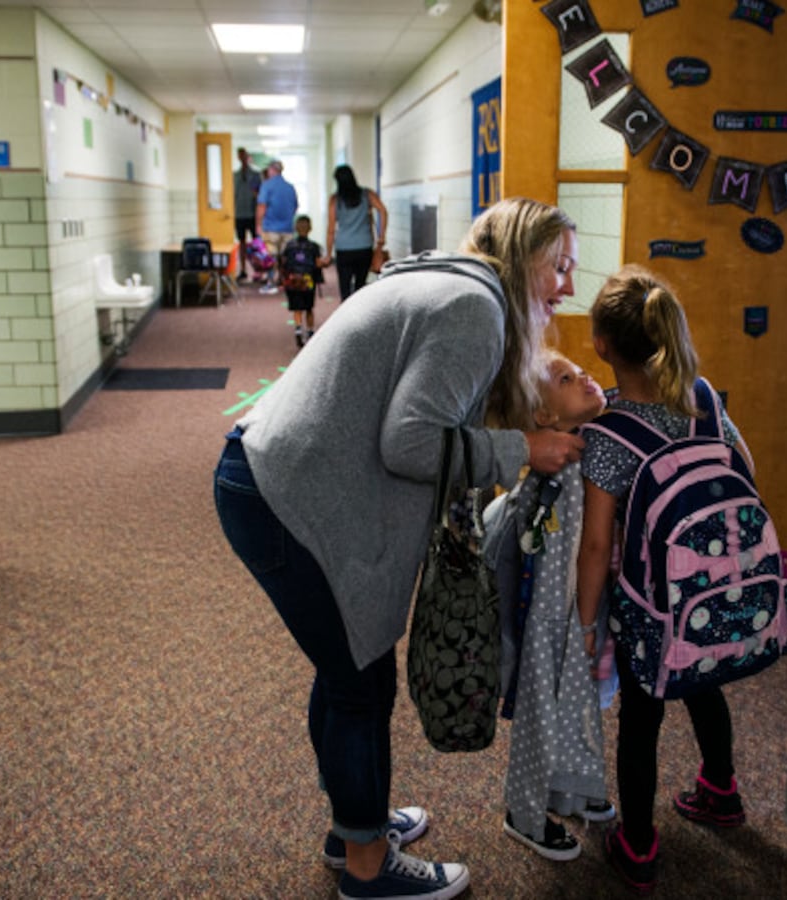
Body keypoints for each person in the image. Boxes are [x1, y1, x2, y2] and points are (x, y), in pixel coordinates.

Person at [213, 197, 584, 900]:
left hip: (275, 479)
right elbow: (409, 440)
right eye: (559, 267)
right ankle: (366, 868)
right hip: (286, 499)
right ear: (522, 258)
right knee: (360, 680)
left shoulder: (448, 279)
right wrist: (523, 450)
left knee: (347, 664)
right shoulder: (477, 310)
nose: (568, 286)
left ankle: (355, 824)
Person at [574, 265, 756, 894]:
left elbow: (597, 544)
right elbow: (745, 470)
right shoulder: (702, 398)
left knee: (642, 718)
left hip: (647, 604)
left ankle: (639, 844)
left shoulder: (609, 432)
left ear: (602, 345)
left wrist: (586, 620)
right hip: (712, 591)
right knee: (705, 686)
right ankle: (721, 789)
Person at [484, 350, 615, 863]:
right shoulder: (551, 477)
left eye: (579, 368)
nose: (582, 375)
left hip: (576, 612)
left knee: (580, 701)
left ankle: (571, 789)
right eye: (565, 378)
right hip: (545, 619)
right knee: (543, 709)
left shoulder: (589, 447)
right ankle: (525, 811)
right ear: (545, 418)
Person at [325, 164, 389, 301]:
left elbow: (331, 230)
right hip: (364, 246)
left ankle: (346, 317)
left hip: (343, 248)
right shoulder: (367, 194)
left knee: (345, 286)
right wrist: (381, 236)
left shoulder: (335, 200)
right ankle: (360, 316)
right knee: (360, 285)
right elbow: (383, 211)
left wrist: (328, 254)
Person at [280, 214, 329, 348]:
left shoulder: (289, 246)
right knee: (309, 308)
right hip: (308, 281)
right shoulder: (313, 247)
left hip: (293, 281)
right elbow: (318, 263)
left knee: (297, 308)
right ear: (310, 229)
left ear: (295, 228)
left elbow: (283, 262)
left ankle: (298, 330)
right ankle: (311, 332)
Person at [256, 159, 299, 293]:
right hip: (287, 228)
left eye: (268, 169)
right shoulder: (290, 187)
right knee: (285, 257)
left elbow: (262, 206)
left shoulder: (266, 186)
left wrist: (258, 225)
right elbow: (295, 206)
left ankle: (270, 282)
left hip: (271, 228)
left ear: (273, 170)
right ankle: (284, 281)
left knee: (271, 257)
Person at [233, 148, 262, 281]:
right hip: (239, 214)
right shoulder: (235, 175)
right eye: (240, 156)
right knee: (242, 243)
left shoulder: (256, 175)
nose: (242, 158)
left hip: (252, 214)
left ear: (247, 157)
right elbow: (233, 196)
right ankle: (243, 270)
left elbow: (260, 195)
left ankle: (258, 270)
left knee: (256, 243)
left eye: (244, 156)